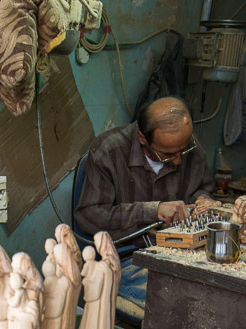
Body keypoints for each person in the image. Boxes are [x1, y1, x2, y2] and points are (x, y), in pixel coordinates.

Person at [74, 96, 220, 316]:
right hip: (125, 258)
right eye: (169, 154)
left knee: (218, 292)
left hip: (176, 253)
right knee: (184, 305)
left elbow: (201, 187)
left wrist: (203, 200)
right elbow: (89, 216)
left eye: (183, 150)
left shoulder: (188, 148)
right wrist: (153, 210)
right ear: (142, 138)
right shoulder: (109, 152)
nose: (178, 160)